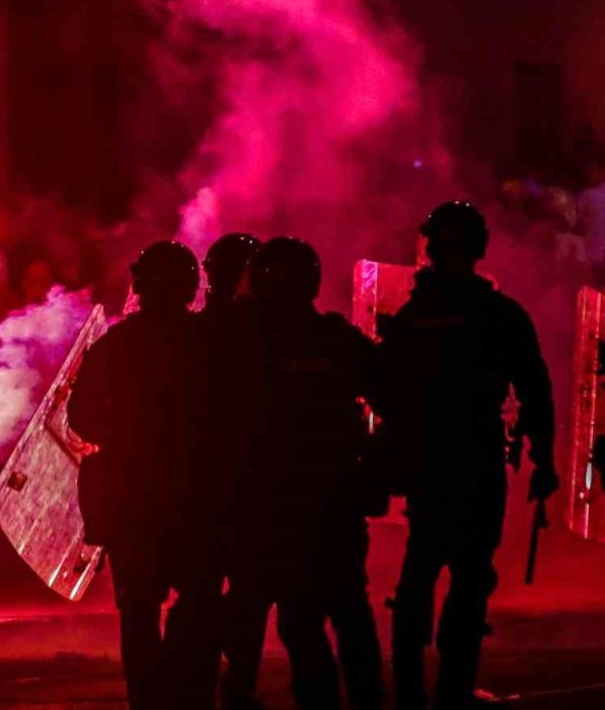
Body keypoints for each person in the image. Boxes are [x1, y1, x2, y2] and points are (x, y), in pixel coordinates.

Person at [378, 202, 557, 710]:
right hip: (475, 460)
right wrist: (543, 460)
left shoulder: (414, 315)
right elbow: (535, 390)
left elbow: (384, 387)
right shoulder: (498, 314)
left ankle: (409, 688)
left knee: (422, 567)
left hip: (427, 461)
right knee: (470, 574)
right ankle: (451, 690)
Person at [68, 241, 219, 709]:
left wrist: (124, 436)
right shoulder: (209, 343)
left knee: (138, 613)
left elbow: (80, 416)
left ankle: (149, 700)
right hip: (196, 496)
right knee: (199, 601)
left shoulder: (116, 345)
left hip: (133, 501)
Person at [240, 238, 384, 710]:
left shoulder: (249, 346)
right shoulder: (336, 339)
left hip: (279, 504)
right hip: (332, 498)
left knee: (301, 618)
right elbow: (394, 398)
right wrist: (374, 468)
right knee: (347, 610)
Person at [198, 232, 270, 710]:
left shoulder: (190, 331)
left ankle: (204, 679)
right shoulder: (268, 332)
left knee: (205, 587)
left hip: (203, 482)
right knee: (248, 588)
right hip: (248, 480)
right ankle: (237, 680)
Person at [579, 153, 605, 287]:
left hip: (594, 255)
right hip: (592, 255)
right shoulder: (586, 195)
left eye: (593, 170)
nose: (589, 174)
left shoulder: (588, 196)